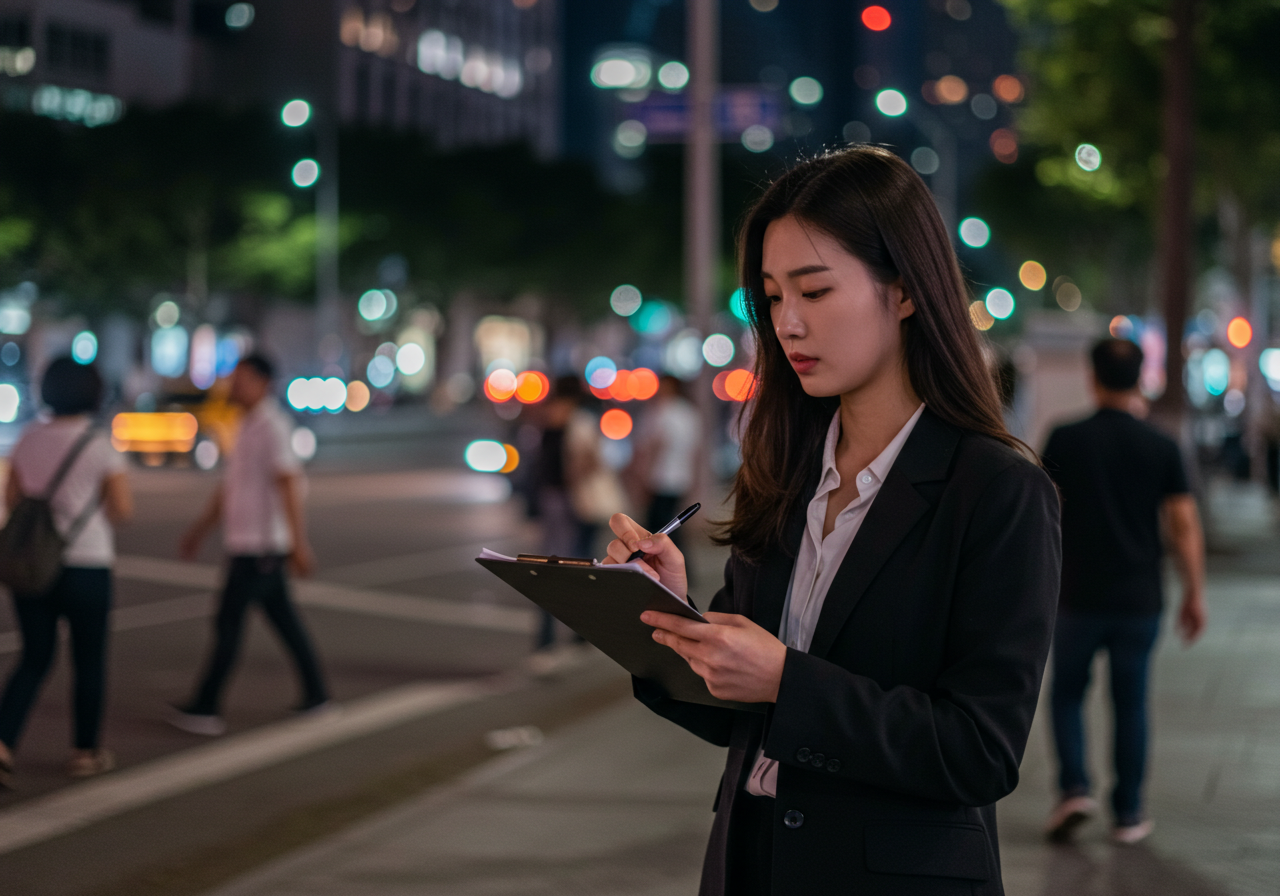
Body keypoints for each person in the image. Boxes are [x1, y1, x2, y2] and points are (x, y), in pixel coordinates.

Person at [604, 145, 1060, 896]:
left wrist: (788, 681)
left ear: (907, 290)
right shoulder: (786, 466)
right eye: (772, 297)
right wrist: (663, 615)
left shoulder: (998, 490)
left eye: (814, 291)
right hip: (750, 868)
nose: (788, 323)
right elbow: (735, 713)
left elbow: (980, 751)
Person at [1040, 338, 1206, 845]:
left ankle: (1074, 789)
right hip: (1139, 600)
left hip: (1076, 597)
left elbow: (1045, 517)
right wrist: (1194, 592)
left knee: (1066, 694)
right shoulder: (1160, 445)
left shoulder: (1064, 439)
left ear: (1092, 377)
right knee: (1130, 701)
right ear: (1142, 378)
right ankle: (1129, 813)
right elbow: (1182, 523)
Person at [169, 355, 328, 735]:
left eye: (240, 380)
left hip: (261, 547)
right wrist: (199, 530)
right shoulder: (247, 424)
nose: (232, 388)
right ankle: (317, 695)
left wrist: (297, 543)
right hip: (248, 544)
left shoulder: (272, 426)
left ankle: (206, 706)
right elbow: (231, 489)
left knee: (228, 625)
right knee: (283, 622)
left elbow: (288, 482)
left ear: (262, 382)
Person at [0, 358, 133, 785]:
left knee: (35, 657)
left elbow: (13, 498)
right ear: (94, 393)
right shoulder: (99, 443)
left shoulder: (29, 437)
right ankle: (84, 751)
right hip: (88, 565)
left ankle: (3, 742)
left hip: (35, 565)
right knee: (88, 661)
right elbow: (122, 509)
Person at [531, 375, 624, 650]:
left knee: (558, 569)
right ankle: (570, 633)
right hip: (565, 502)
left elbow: (587, 461)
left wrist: (574, 475)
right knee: (568, 568)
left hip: (570, 503)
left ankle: (558, 636)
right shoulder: (568, 422)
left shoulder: (572, 423)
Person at [635, 375, 701, 552]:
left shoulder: (662, 411)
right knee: (674, 525)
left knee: (657, 530)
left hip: (660, 477)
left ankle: (659, 567)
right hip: (681, 477)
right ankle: (681, 565)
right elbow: (694, 450)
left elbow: (656, 446)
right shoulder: (689, 412)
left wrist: (645, 474)